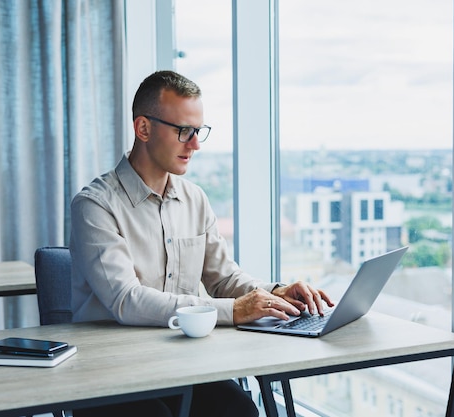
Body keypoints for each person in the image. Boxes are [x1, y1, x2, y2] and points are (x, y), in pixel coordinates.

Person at [69, 70, 334, 417]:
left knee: (240, 411)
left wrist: (274, 293)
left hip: (180, 362)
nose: (194, 144)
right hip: (112, 372)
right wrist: (234, 311)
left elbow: (223, 280)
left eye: (198, 131)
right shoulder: (95, 205)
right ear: (143, 129)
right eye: (183, 131)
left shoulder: (195, 199)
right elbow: (126, 301)